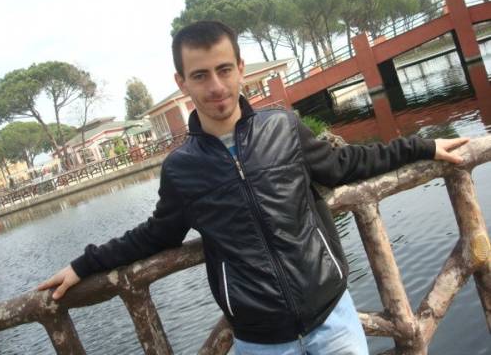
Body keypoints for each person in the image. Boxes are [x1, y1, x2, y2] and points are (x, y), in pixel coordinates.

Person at [38, 21, 469, 354]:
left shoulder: (283, 127)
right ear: (181, 83)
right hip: (261, 340)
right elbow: (156, 235)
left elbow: (345, 164)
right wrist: (84, 264)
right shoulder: (181, 169)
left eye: (225, 70)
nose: (216, 87)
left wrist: (423, 145)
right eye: (201, 75)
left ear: (241, 69)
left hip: (332, 318)